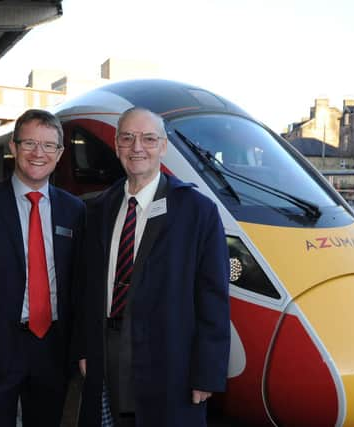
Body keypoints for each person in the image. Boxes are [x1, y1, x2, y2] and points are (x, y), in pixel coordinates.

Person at [76, 108, 230, 427]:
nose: (137, 147)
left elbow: (213, 298)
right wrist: (84, 348)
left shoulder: (197, 211)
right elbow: (86, 288)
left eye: (148, 138)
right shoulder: (99, 208)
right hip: (107, 352)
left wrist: (207, 372)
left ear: (163, 147)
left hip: (171, 361)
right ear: (117, 145)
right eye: (128, 138)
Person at [0, 109, 85, 427]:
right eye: (30, 143)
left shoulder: (74, 209)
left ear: (60, 153)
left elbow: (80, 285)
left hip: (52, 349)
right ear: (13, 147)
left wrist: (82, 348)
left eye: (49, 145)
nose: (39, 153)